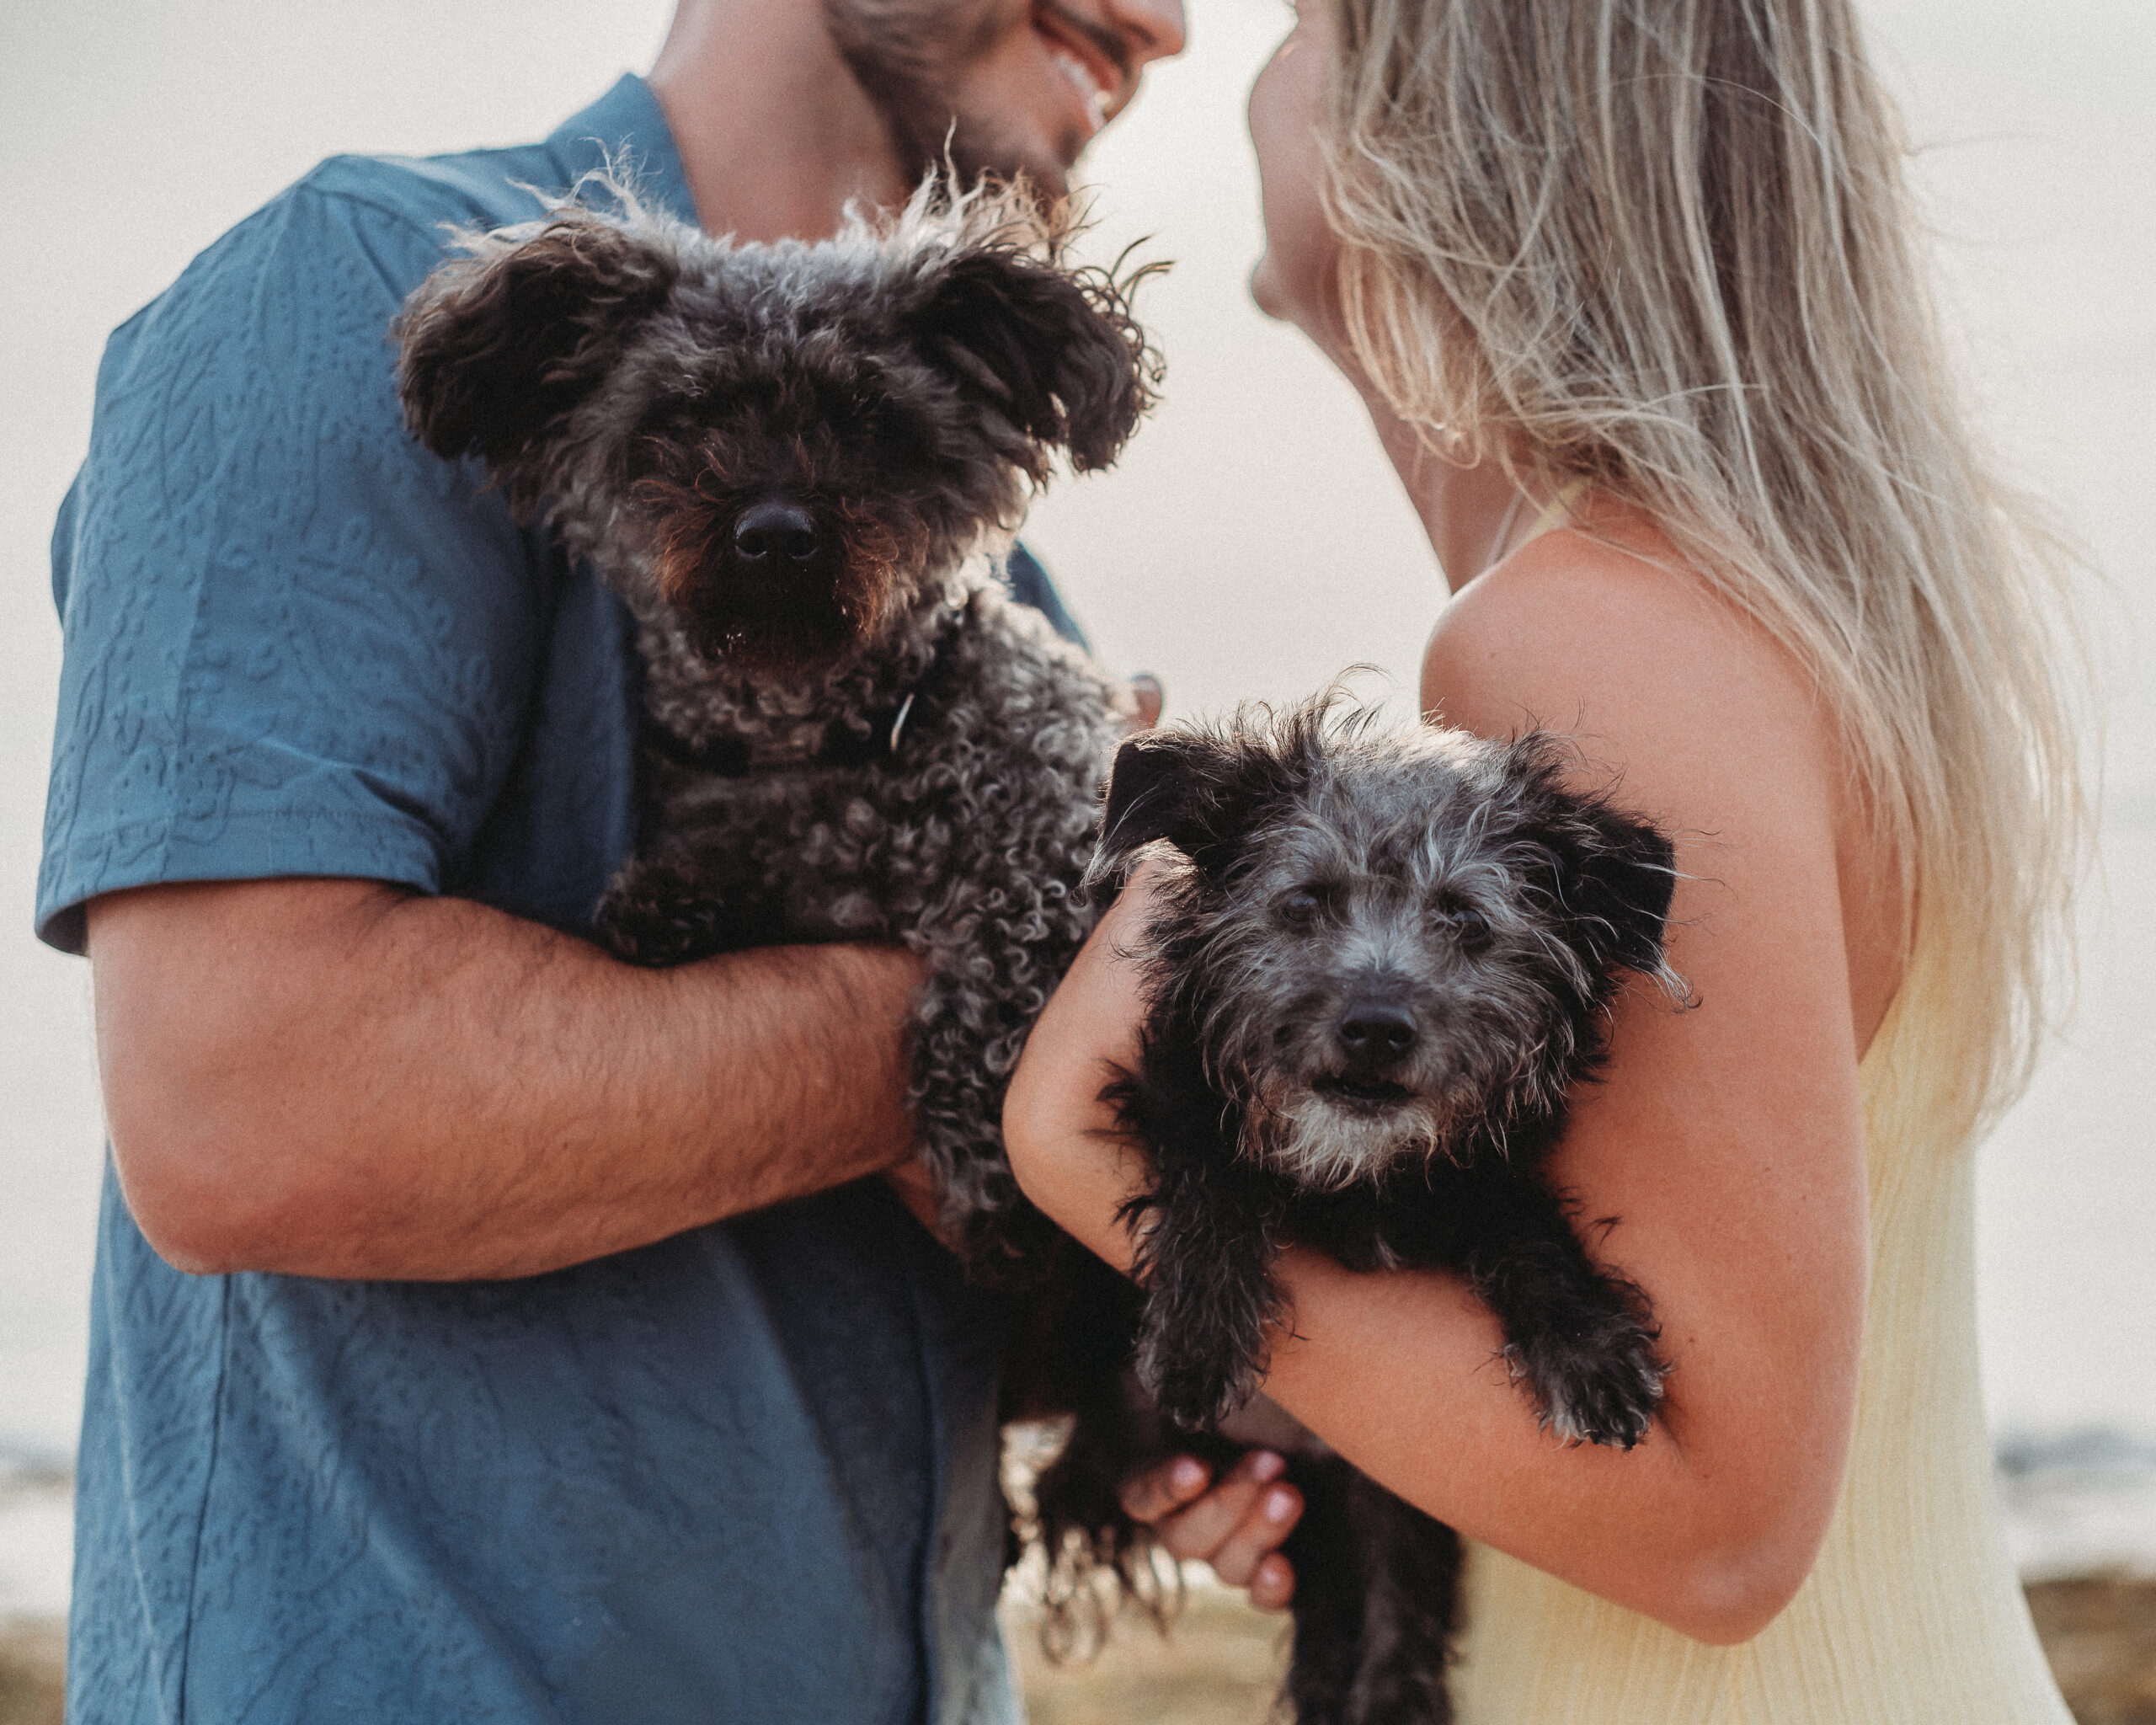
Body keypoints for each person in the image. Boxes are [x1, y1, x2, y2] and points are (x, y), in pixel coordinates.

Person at [37, 3, 1308, 1720]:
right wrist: (991, 1032)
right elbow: (236, 1102)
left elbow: (963, 1274)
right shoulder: (340, 296)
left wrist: (1157, 1388)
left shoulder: (991, 592)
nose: (1163, 19)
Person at [1006, 0, 2088, 1719]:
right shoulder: (1803, 606)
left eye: (1306, 22)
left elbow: (1714, 1527)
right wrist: (1320, 1398)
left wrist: (1083, 1157)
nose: (1227, 52)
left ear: (1427, 118)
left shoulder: (1594, 636)